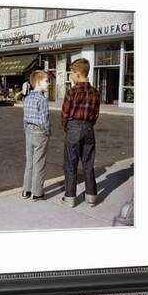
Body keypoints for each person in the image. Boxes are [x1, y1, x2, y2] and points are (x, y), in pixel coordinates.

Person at [61, 58, 101, 208]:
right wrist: (88, 125)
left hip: (73, 128)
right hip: (89, 129)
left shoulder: (71, 92)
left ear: (77, 74)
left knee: (71, 164)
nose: (70, 76)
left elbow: (65, 114)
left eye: (71, 73)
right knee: (88, 163)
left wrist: (67, 127)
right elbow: (96, 114)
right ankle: (91, 196)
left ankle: (70, 197)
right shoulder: (95, 93)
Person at [22, 70, 51, 201]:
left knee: (29, 162)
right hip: (40, 132)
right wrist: (48, 132)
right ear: (39, 82)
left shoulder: (27, 98)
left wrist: (26, 130)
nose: (49, 83)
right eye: (46, 81)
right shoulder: (42, 99)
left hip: (28, 131)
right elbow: (43, 120)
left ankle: (26, 190)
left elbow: (24, 117)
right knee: (39, 163)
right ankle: (37, 193)